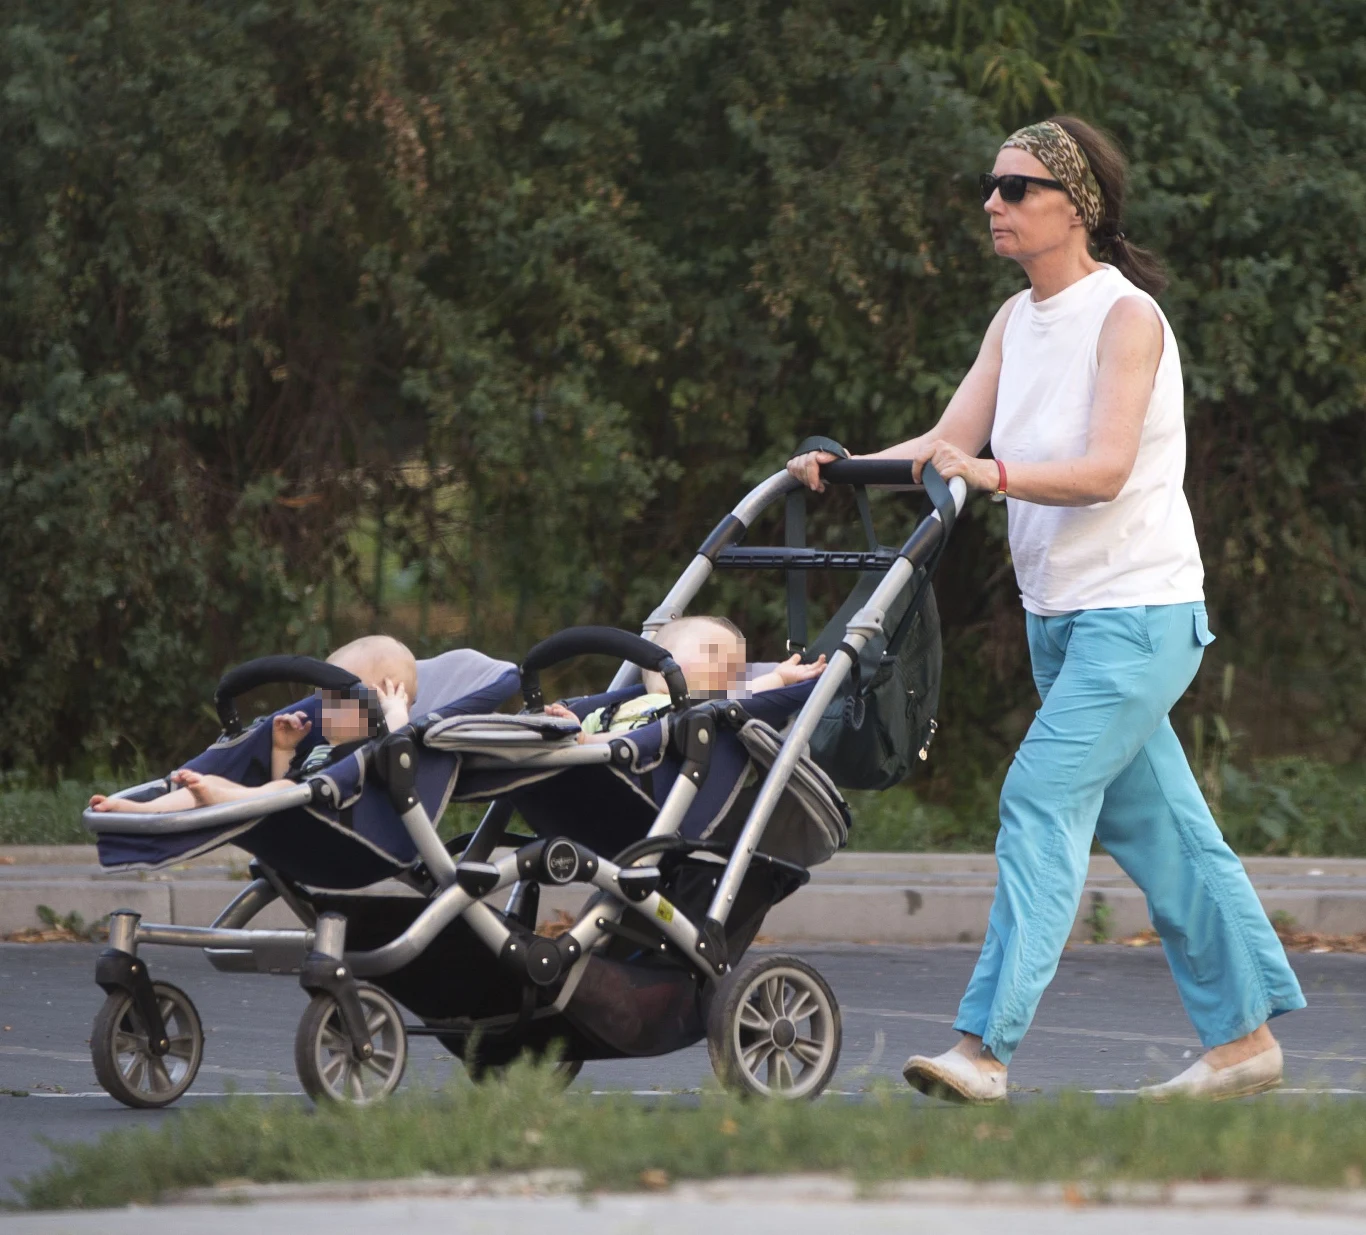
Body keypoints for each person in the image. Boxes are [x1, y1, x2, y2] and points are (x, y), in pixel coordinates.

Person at [789, 116, 1304, 1102]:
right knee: (1164, 833)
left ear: (1075, 205)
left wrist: (988, 473)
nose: (992, 201)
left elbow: (1105, 467)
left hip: (1139, 613)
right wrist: (841, 464)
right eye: (991, 186)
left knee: (1037, 797)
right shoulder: (1012, 321)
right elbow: (945, 440)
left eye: (1014, 188)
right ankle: (1243, 1040)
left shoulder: (1126, 319)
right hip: (1057, 619)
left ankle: (983, 1047)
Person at [90, 635, 417, 812]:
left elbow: (398, 737)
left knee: (240, 791)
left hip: (339, 821)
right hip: (289, 811)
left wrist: (394, 709)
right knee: (210, 783)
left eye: (335, 699)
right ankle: (143, 810)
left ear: (377, 705)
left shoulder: (377, 747)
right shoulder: (322, 747)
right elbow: (282, 783)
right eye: (321, 696)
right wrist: (282, 748)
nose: (321, 706)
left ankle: (214, 797)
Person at [545, 615, 826, 740]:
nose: (728, 669)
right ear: (660, 660)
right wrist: (569, 726)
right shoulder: (614, 708)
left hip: (636, 769)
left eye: (734, 669)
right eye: (713, 654)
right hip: (589, 769)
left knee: (598, 741)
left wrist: (780, 677)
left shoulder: (698, 706)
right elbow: (588, 725)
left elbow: (749, 691)